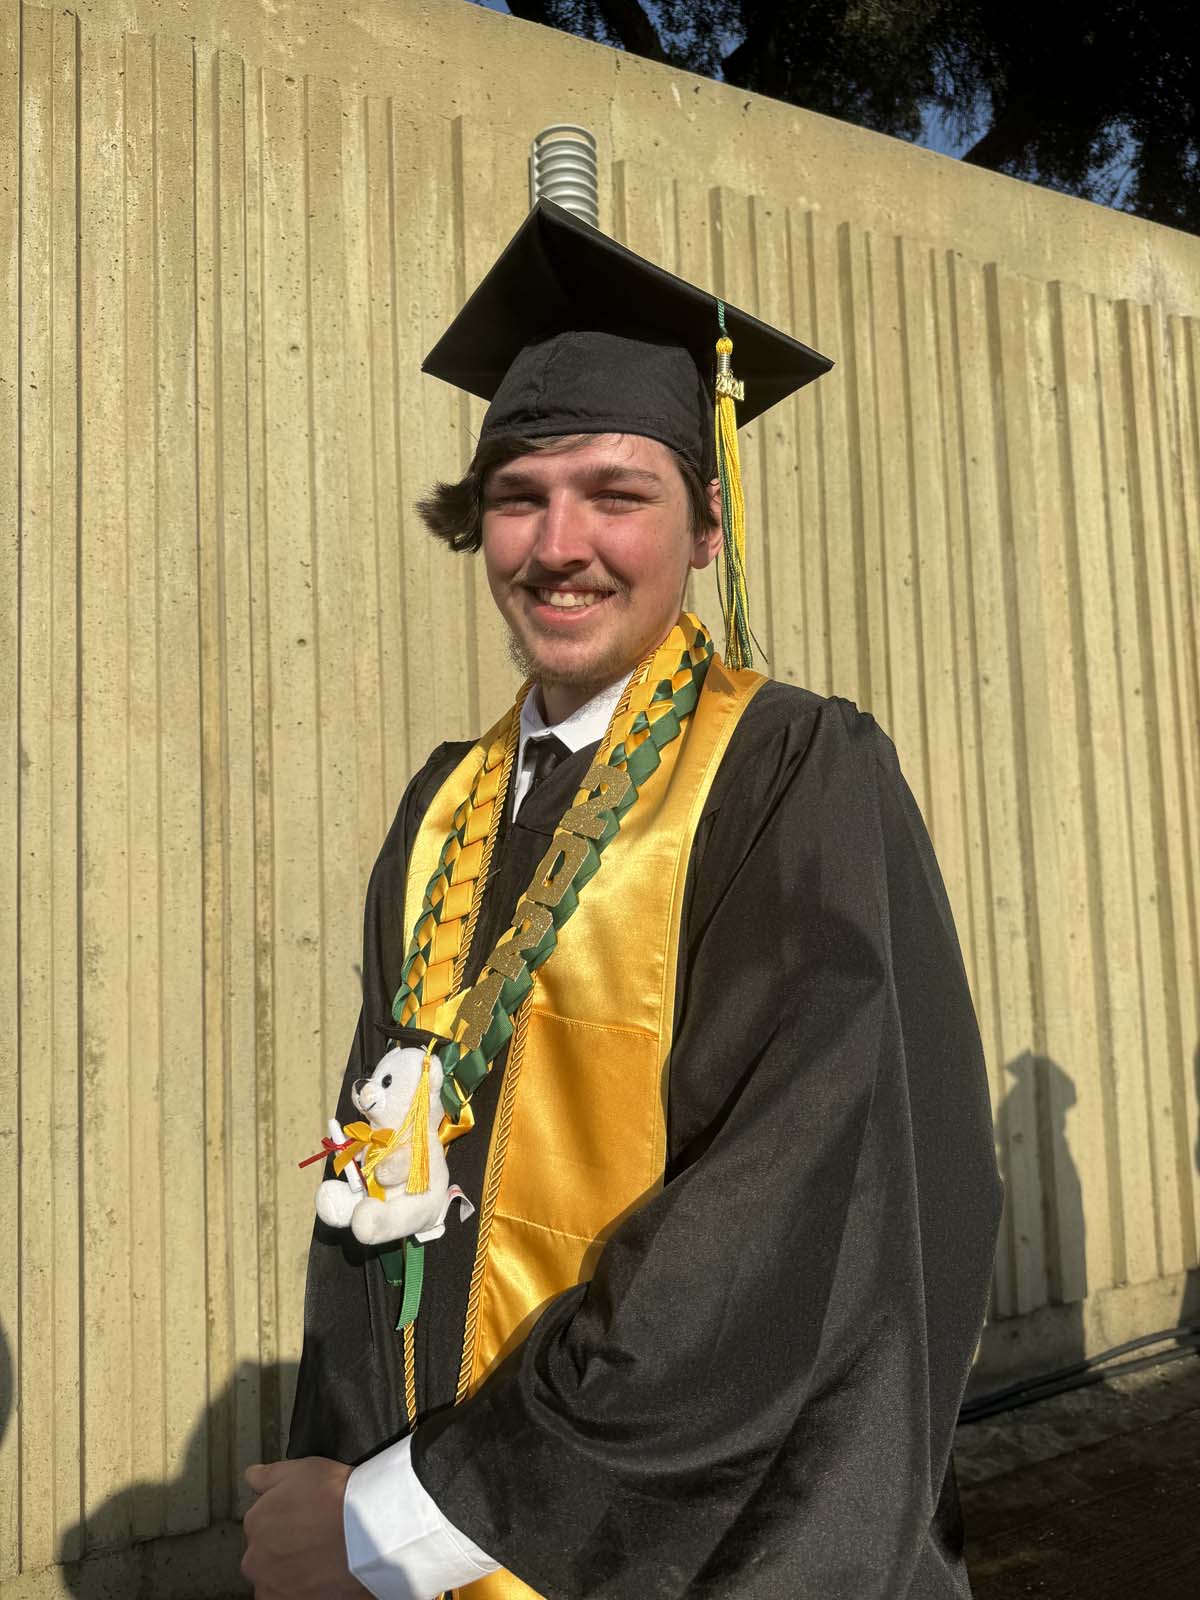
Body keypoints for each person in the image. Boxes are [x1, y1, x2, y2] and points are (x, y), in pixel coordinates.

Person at [242, 201, 1002, 1600]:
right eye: (519, 497)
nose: (559, 543)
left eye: (618, 491)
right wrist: (342, 1473)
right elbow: (385, 1193)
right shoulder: (443, 809)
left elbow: (775, 1229)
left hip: (682, 1548)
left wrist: (392, 1520)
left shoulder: (790, 771)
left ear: (709, 525)